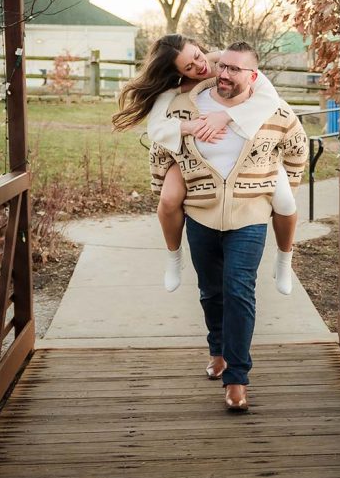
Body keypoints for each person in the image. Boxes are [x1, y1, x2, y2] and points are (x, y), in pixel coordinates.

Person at [149, 42, 308, 411]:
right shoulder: (185, 102)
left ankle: (237, 377)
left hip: (250, 214)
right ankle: (217, 351)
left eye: (234, 70)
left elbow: (297, 147)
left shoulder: (269, 105)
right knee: (210, 291)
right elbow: (159, 148)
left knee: (238, 291)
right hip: (201, 211)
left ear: (253, 75)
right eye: (223, 68)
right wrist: (166, 187)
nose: (222, 73)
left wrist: (280, 187)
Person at [112, 35, 299, 296]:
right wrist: (188, 127)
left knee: (286, 202)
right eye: (188, 67)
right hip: (192, 154)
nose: (199, 66)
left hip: (254, 154)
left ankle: (284, 260)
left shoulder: (227, 63)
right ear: (177, 73)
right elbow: (156, 129)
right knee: (168, 199)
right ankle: (173, 257)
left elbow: (269, 98)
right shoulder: (176, 90)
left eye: (197, 56)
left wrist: (224, 116)